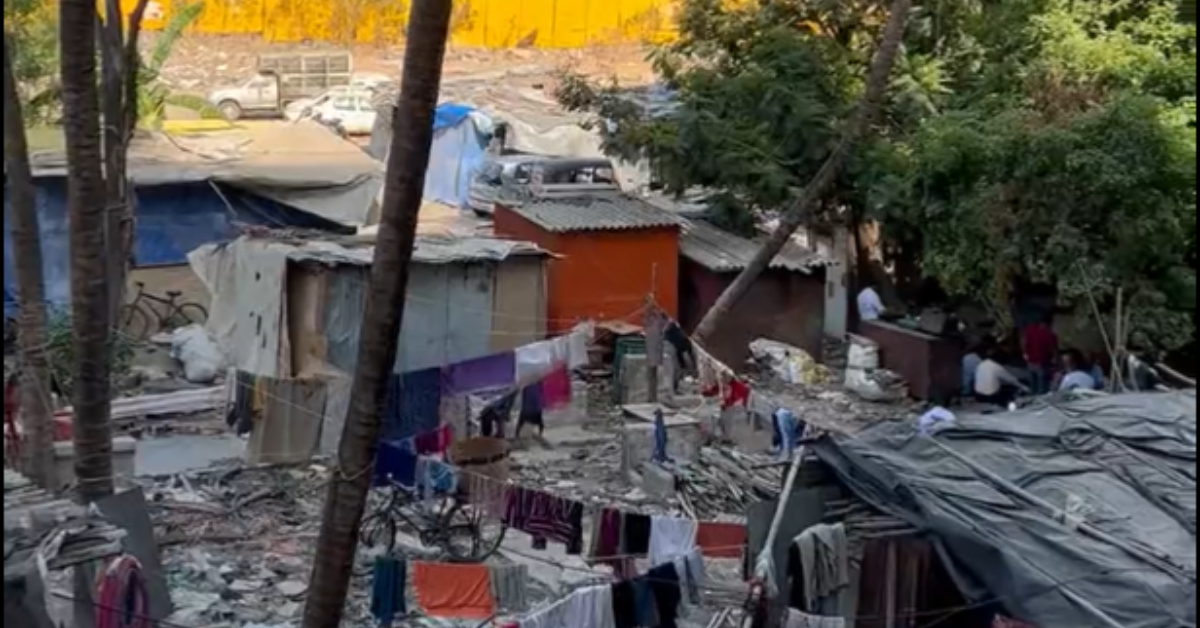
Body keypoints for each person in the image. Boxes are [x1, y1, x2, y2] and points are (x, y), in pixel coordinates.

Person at [1021, 314, 1058, 395]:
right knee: (1041, 388)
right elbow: (1053, 351)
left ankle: (1031, 398)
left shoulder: (1030, 329)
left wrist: (1025, 353)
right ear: (1049, 323)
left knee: (1033, 385)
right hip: (1041, 364)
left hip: (1030, 362)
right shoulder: (1049, 334)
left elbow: (1024, 341)